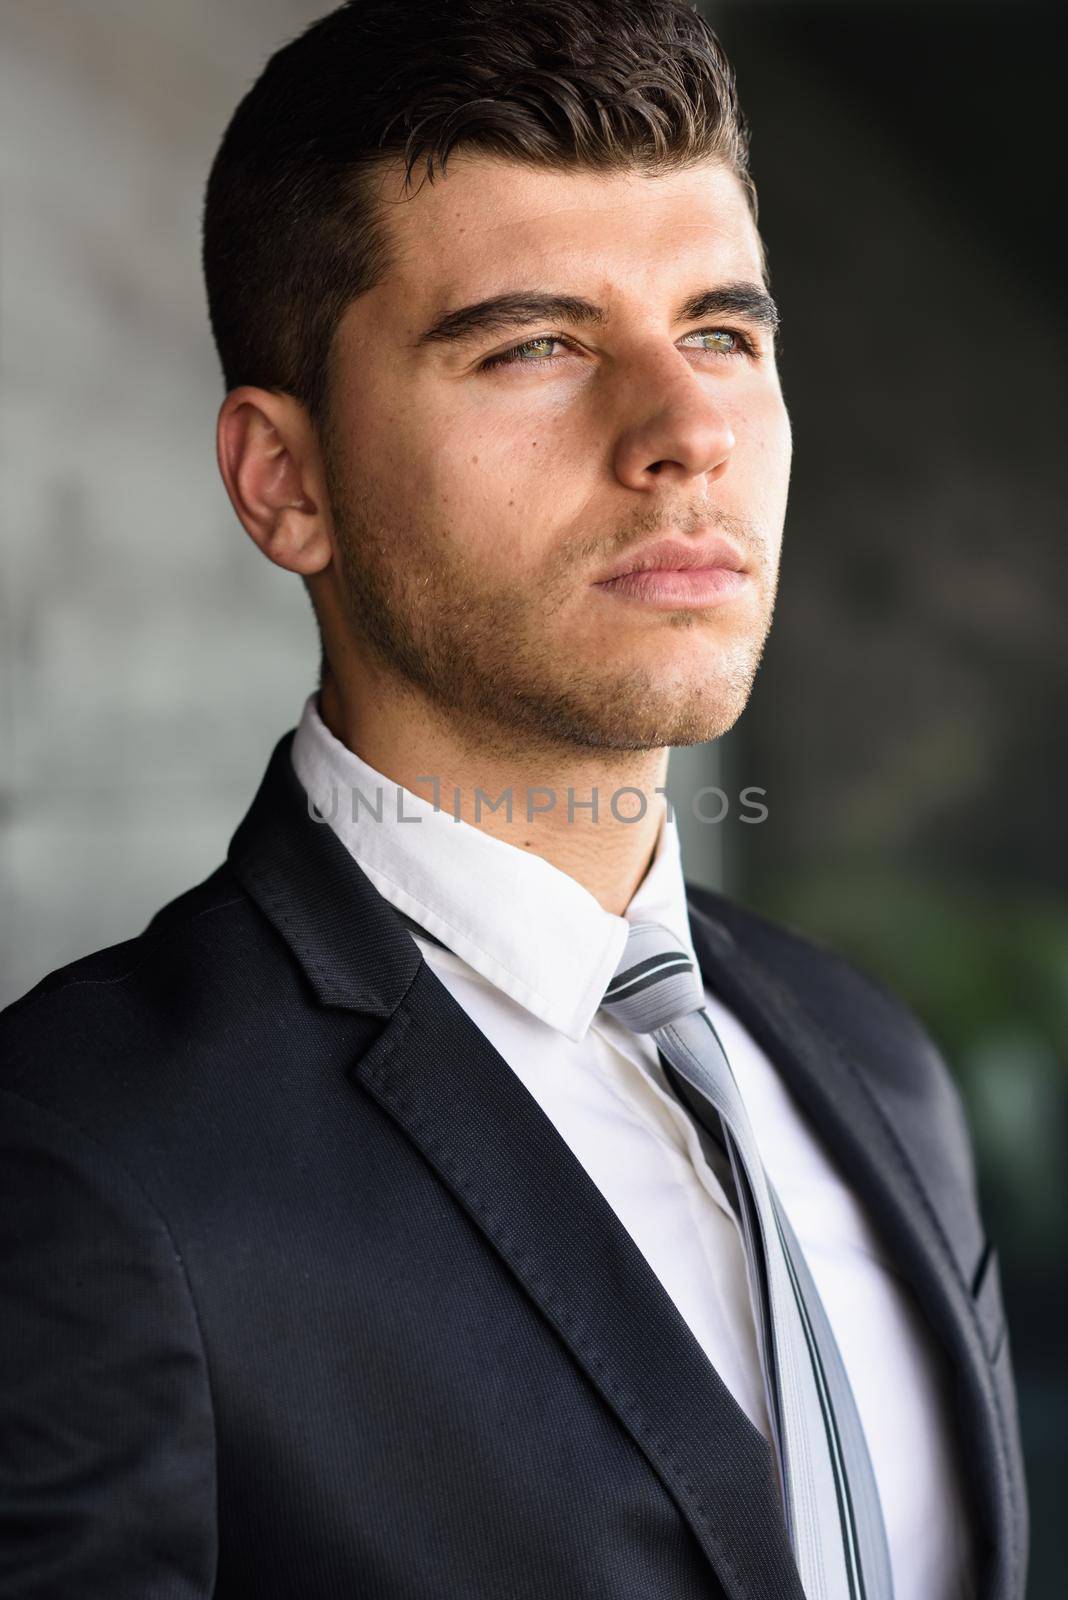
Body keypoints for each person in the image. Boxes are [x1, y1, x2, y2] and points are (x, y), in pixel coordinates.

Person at [0, 2, 1027, 1596]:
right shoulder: (78, 1167)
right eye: (536, 345)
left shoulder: (877, 1069)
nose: (687, 434)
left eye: (723, 333)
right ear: (288, 482)